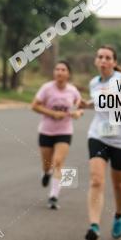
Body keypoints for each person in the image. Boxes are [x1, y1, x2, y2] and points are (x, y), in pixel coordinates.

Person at [83, 45, 121, 240]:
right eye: (100, 57)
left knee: (118, 183)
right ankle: (94, 225)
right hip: (99, 135)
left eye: (108, 57)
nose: (103, 60)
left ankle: (119, 215)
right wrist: (84, 105)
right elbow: (97, 103)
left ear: (114, 62)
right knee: (96, 180)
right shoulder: (94, 82)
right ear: (96, 61)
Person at [31, 60, 83, 209]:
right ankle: (46, 173)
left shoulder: (72, 91)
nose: (59, 72)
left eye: (63, 70)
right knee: (47, 164)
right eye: (57, 69)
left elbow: (79, 107)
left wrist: (78, 113)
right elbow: (34, 106)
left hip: (64, 131)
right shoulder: (46, 88)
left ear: (68, 74)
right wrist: (53, 113)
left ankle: (53, 196)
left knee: (58, 162)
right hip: (46, 131)